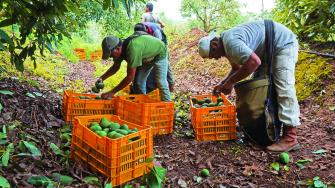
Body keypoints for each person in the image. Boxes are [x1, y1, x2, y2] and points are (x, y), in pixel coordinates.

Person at [198, 20, 300, 152]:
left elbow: (253, 62)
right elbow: (237, 67)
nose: (215, 59)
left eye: (212, 55)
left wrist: (231, 82)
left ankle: (290, 137)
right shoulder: (227, 44)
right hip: (266, 51)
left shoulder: (230, 43)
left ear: (215, 44)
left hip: (282, 44)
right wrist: (223, 83)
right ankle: (265, 130)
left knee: (283, 87)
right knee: (260, 90)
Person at [98, 34, 171, 101]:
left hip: (160, 52)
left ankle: (168, 105)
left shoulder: (132, 49)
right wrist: (102, 78)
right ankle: (142, 103)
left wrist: (112, 92)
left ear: (117, 48)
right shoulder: (120, 50)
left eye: (111, 54)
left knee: (160, 81)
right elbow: (115, 68)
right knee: (139, 82)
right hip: (145, 57)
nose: (111, 56)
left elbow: (130, 77)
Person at [130, 22, 174, 94]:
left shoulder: (155, 31)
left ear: (146, 31)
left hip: (161, 45)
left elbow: (159, 46)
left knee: (165, 65)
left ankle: (171, 85)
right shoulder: (139, 30)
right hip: (151, 45)